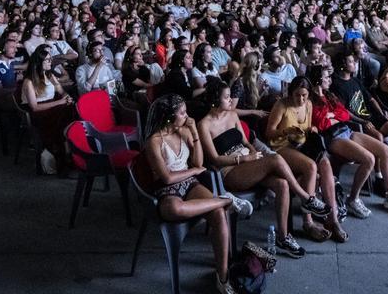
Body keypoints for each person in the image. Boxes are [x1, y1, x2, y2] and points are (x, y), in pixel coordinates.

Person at [198, 80, 330, 259]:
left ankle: (283, 237)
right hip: (229, 170)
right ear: (215, 100)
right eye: (227, 97)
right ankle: (306, 197)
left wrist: (254, 155)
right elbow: (214, 159)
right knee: (275, 158)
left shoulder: (232, 116)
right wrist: (244, 158)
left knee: (282, 184)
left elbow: (246, 142)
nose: (231, 101)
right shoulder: (204, 125)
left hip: (250, 163)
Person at [145, 95, 249, 294]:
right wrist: (193, 171)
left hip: (190, 185)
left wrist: (193, 132)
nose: (187, 116)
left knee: (218, 215)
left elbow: (199, 163)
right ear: (169, 117)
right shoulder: (154, 141)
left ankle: (223, 276)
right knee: (174, 208)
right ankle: (224, 200)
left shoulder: (184, 131)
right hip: (167, 189)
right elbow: (166, 178)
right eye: (182, 113)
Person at [308, 64, 388, 217]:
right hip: (332, 138)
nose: (329, 79)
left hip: (346, 131)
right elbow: (320, 124)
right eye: (326, 77)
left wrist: (331, 116)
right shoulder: (311, 101)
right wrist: (332, 117)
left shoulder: (329, 95)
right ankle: (353, 199)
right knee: (369, 159)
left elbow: (344, 115)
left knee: (385, 150)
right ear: (318, 80)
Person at [264, 77, 345, 243]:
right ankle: (308, 222)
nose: (301, 99)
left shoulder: (308, 104)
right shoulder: (281, 105)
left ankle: (332, 219)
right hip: (282, 147)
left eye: (304, 95)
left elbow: (307, 128)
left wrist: (311, 129)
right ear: (291, 93)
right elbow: (269, 133)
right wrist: (285, 131)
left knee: (325, 162)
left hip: (301, 144)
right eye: (297, 95)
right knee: (310, 166)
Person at [329, 53, 388, 191]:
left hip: (372, 116)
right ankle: (378, 178)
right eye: (351, 61)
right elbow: (344, 111)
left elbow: (371, 99)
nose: (355, 63)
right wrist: (362, 121)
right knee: (379, 137)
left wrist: (382, 114)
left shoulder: (355, 80)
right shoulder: (337, 85)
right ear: (343, 65)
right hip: (358, 121)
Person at [20, 45, 75, 174]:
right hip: (38, 112)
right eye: (47, 60)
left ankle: (69, 148)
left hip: (53, 105)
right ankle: (64, 153)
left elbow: (61, 92)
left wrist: (67, 98)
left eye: (50, 59)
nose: (51, 62)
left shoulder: (50, 75)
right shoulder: (29, 81)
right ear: (39, 62)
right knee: (62, 117)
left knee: (72, 109)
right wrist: (60, 102)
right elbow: (34, 107)